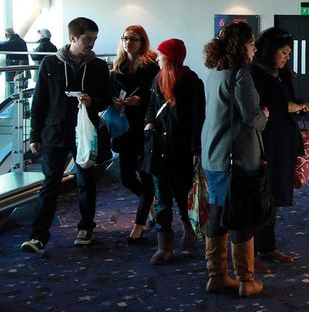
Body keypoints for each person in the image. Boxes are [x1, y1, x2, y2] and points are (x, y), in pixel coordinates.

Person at [20, 17, 111, 254]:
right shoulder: (49, 65)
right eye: (87, 39)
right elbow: (39, 102)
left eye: (93, 39)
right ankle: (38, 237)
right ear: (73, 37)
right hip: (54, 132)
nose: (91, 43)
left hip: (85, 133)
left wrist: (92, 101)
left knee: (86, 181)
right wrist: (35, 136)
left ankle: (86, 227)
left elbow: (106, 99)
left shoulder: (99, 67)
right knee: (50, 184)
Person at [202, 22, 268, 297]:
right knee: (241, 216)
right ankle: (246, 280)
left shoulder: (214, 72)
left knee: (218, 212)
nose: (254, 49)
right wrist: (265, 115)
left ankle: (217, 276)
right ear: (242, 47)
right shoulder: (241, 75)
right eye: (252, 44)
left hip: (213, 155)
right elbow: (253, 118)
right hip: (236, 157)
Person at [251, 27, 309, 269]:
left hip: (285, 139)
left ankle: (267, 246)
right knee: (263, 195)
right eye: (283, 52)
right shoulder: (255, 74)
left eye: (289, 53)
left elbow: (287, 101)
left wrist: (299, 105)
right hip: (267, 141)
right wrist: (291, 107)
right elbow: (263, 108)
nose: (287, 57)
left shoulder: (283, 74)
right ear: (270, 51)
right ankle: (257, 249)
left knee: (275, 195)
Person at [144, 38, 205, 265]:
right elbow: (150, 106)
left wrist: (196, 148)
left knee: (181, 193)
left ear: (170, 58)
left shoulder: (192, 82)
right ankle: (164, 245)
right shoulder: (157, 79)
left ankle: (188, 230)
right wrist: (149, 123)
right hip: (158, 146)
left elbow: (198, 117)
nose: (157, 59)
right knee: (161, 196)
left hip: (181, 148)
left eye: (160, 55)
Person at [110, 25, 159, 243]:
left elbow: (159, 98)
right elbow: (108, 94)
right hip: (123, 127)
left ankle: (139, 224)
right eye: (125, 38)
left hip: (145, 127)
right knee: (127, 177)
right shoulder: (116, 68)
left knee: (146, 175)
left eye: (134, 39)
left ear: (142, 42)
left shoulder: (150, 68)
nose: (128, 42)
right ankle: (151, 204)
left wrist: (141, 101)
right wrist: (114, 100)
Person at [1, 27, 29, 95]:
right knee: (21, 90)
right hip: (21, 67)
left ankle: (13, 104)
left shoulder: (14, 42)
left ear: (6, 35)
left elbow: (3, 46)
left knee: (14, 90)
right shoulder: (20, 40)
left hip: (15, 69)